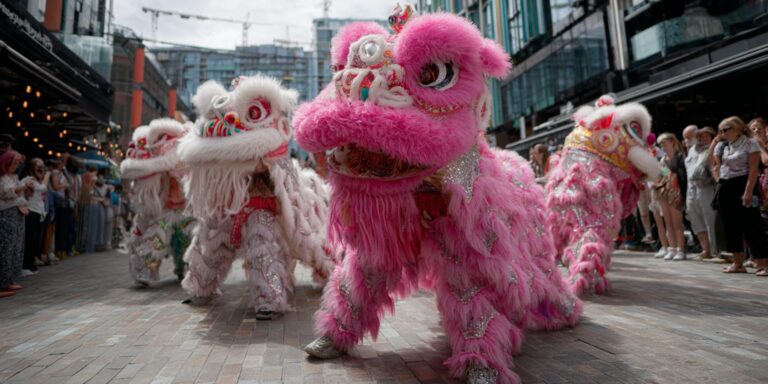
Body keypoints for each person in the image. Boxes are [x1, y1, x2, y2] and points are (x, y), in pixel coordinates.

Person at [710, 116, 768, 275]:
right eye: (721, 130)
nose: (722, 133)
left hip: (744, 183)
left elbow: (754, 169)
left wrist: (748, 191)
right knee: (730, 226)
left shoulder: (750, 143)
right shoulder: (723, 146)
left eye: (726, 129)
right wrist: (720, 182)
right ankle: (738, 263)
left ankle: (763, 263)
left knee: (752, 225)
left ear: (736, 128)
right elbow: (715, 165)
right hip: (726, 185)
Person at [684, 127, 719, 260]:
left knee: (710, 219)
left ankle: (715, 250)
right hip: (691, 188)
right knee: (696, 220)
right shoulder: (692, 150)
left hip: (706, 187)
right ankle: (706, 249)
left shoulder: (714, 148)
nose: (703, 139)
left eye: (707, 136)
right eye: (701, 136)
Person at [0, 151, 29, 298]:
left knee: (14, 248)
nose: (16, 166)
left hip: (15, 213)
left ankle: (9, 279)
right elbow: (6, 193)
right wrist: (21, 188)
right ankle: (2, 283)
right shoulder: (2, 177)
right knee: (5, 248)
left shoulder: (11, 177)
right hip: (5, 215)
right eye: (14, 163)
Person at [656, 133, 687, 260]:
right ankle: (672, 247)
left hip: (676, 191)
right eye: (660, 143)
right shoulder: (662, 160)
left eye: (664, 142)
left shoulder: (680, 157)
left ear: (672, 142)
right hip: (664, 192)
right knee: (668, 222)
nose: (662, 145)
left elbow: (682, 175)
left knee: (677, 223)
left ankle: (681, 249)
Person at [20, 158, 49, 276]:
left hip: (37, 212)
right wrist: (47, 175)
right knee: (29, 240)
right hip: (30, 212)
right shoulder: (28, 179)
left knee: (35, 240)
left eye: (42, 165)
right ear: (32, 167)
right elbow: (43, 188)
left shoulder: (37, 180)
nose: (41, 168)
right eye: (38, 165)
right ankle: (25, 265)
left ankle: (30, 264)